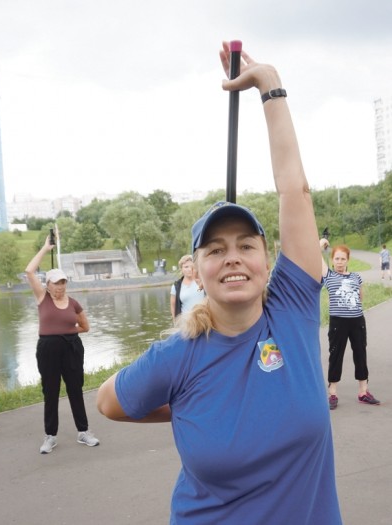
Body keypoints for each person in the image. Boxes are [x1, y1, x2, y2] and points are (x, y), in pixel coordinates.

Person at [97, 42, 342, 524]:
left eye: (246, 245)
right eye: (215, 249)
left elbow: (295, 190)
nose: (233, 258)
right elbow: (108, 402)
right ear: (197, 269)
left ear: (268, 262)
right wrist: (178, 411)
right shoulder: (178, 354)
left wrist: (270, 86)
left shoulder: (292, 308)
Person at [25, 236, 100, 454]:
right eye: (56, 283)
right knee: (51, 391)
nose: (60, 286)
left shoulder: (74, 303)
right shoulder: (42, 298)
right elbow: (29, 271)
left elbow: (85, 326)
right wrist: (45, 247)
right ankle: (50, 436)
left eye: (63, 282)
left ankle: (83, 432)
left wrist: (67, 332)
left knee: (75, 389)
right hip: (48, 349)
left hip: (72, 347)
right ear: (47, 285)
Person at [320, 239, 380, 410]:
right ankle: (332, 393)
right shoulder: (329, 276)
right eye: (337, 259)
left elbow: (360, 297)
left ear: (348, 260)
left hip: (357, 321)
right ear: (332, 260)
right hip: (338, 322)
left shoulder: (356, 277)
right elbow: (315, 256)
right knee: (336, 355)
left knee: (360, 354)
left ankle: (363, 391)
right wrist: (321, 243)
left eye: (342, 259)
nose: (339, 262)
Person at [170, 254, 205, 321]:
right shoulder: (176, 286)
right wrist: (176, 322)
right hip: (186, 324)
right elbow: (173, 306)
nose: (189, 269)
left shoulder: (202, 281)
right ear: (181, 269)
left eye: (192, 266)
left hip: (204, 321)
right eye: (186, 267)